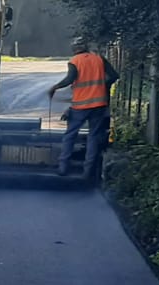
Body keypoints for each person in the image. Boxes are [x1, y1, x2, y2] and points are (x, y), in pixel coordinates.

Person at [48, 36, 120, 180]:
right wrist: (104, 86)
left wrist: (55, 87)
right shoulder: (99, 58)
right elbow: (114, 75)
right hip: (99, 105)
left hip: (80, 106)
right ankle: (88, 171)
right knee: (93, 137)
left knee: (70, 135)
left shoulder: (75, 61)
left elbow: (70, 79)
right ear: (86, 47)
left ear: (74, 49)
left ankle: (63, 167)